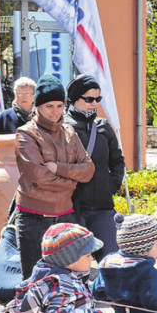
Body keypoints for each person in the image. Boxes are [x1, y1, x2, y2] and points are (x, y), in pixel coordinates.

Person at [13, 75, 95, 277]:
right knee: (35, 280)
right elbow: (39, 177)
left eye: (59, 105)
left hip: (65, 215)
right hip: (34, 217)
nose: (55, 111)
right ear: (38, 106)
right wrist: (72, 181)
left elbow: (89, 170)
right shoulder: (26, 134)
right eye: (49, 105)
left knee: (66, 277)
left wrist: (58, 168)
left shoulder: (69, 132)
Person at [64, 74, 125, 260]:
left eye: (98, 99)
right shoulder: (63, 128)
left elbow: (117, 161)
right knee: (76, 266)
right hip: (75, 209)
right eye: (89, 99)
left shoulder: (103, 127)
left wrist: (111, 185)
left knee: (112, 262)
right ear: (74, 99)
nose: (94, 104)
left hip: (103, 207)